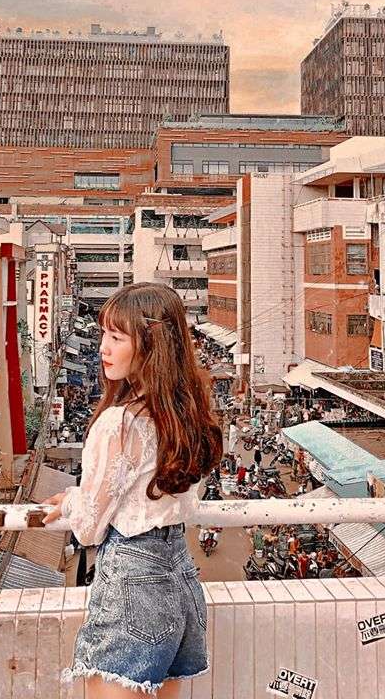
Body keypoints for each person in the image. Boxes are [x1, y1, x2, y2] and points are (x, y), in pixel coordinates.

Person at [42, 283, 223, 697]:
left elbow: (88, 529)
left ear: (151, 346)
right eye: (104, 334)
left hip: (133, 580)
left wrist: (72, 501)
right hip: (180, 577)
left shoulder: (119, 424)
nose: (103, 348)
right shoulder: (186, 416)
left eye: (116, 337)